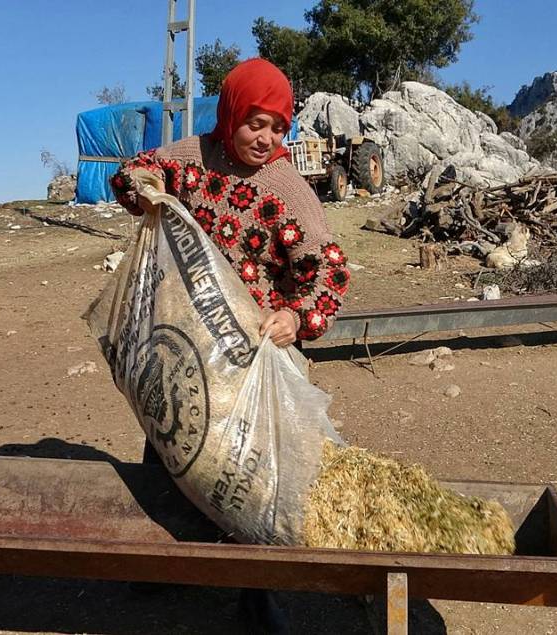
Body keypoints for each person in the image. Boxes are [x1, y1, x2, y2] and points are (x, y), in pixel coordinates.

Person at [109, 58, 349, 634]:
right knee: (169, 449)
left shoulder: (288, 190)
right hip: (188, 340)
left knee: (252, 474)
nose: (265, 138)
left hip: (253, 354)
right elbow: (131, 175)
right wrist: (144, 190)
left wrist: (295, 316)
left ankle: (259, 594)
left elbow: (329, 274)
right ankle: (165, 561)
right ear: (230, 115)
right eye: (254, 123)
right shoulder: (192, 160)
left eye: (277, 126)